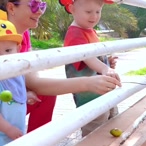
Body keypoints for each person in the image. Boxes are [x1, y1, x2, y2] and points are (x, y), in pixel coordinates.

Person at [0, 0, 121, 134]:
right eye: (34, 5)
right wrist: (88, 83)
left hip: (8, 96)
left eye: (42, 5)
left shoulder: (24, 34)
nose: (40, 11)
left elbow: (32, 80)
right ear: (11, 8)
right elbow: (35, 83)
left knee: (45, 96)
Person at [60, 0, 121, 136]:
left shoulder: (89, 30)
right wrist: (105, 69)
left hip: (103, 90)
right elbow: (87, 57)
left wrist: (107, 63)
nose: (94, 16)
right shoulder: (75, 34)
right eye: (88, 12)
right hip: (89, 95)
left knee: (112, 119)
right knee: (94, 126)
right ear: (72, 9)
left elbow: (95, 58)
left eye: (98, 12)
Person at [0, 10, 30, 146]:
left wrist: (25, 94)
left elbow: (14, 93)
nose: (3, 58)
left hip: (13, 135)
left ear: (18, 49)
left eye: (7, 51)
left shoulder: (17, 74)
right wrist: (8, 129)